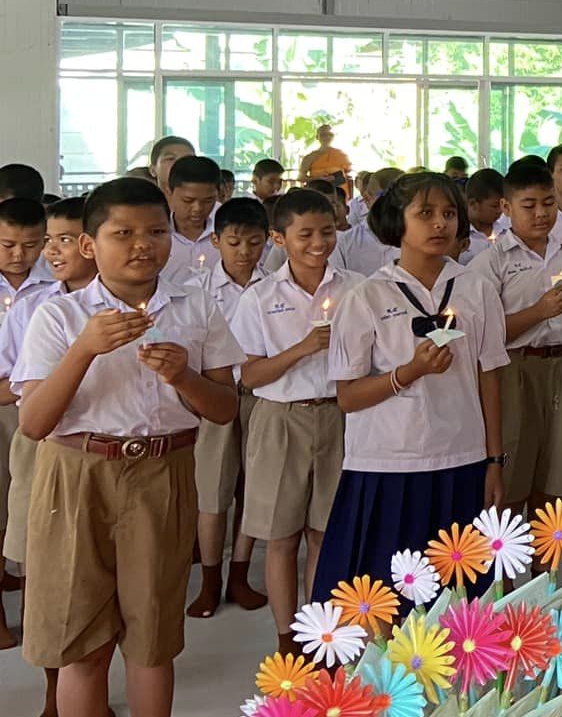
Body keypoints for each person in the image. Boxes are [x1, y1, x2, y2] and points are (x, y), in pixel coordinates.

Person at [14, 178, 241, 717]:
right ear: (89, 244)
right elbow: (33, 421)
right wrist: (85, 348)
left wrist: (185, 379)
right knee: (82, 641)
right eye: (123, 234)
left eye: (155, 233)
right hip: (76, 475)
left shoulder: (193, 307)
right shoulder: (58, 317)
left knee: (152, 638)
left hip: (162, 474)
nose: (142, 247)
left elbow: (225, 408)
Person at [313, 172, 508, 594]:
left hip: (462, 459)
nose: (440, 224)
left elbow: (490, 375)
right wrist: (409, 372)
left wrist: (494, 460)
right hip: (386, 464)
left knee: (458, 599)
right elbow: (347, 396)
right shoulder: (367, 297)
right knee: (383, 596)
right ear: (398, 221)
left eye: (449, 213)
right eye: (425, 213)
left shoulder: (476, 288)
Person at [230, 188, 361, 649]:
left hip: (340, 415)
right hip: (281, 419)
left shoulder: (355, 288)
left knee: (325, 530)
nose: (318, 243)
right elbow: (247, 374)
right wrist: (303, 347)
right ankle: (287, 635)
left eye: (326, 232)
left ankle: (320, 631)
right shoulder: (260, 298)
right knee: (281, 535)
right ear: (279, 238)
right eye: (305, 234)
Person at [0, 196, 90, 710]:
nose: (51, 252)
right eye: (48, 241)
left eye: (65, 240)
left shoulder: (130, 305)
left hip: (101, 453)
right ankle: (55, 687)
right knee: (45, 568)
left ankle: (88, 677)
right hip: (45, 444)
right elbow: (20, 388)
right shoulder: (35, 307)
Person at [486, 156, 562, 512]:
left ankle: (548, 567)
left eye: (548, 204)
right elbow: (486, 335)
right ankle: (507, 567)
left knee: (556, 482)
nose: (541, 213)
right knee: (513, 480)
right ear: (506, 207)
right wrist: (538, 312)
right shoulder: (492, 261)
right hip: (515, 370)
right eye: (529, 206)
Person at [187, 196, 269, 620]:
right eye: (235, 242)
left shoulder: (272, 285)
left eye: (254, 243)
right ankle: (209, 579)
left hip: (260, 395)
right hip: (217, 394)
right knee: (213, 490)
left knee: (251, 488)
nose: (244, 253)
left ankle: (240, 573)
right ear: (216, 241)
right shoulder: (196, 290)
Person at [0, 195, 52, 647]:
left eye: (31, 244)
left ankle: (40, 618)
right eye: (8, 245)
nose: (20, 255)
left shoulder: (55, 286)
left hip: (39, 408)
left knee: (34, 516)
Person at [164, 153, 221, 287]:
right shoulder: (157, 235)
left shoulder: (226, 233)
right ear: (169, 192)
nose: (198, 209)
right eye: (188, 200)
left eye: (208, 200)